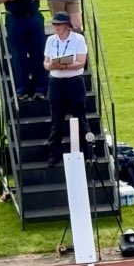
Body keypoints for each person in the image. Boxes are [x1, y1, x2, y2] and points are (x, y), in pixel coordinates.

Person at [44, 11, 89, 166]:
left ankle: (87, 151)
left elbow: (81, 62)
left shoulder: (78, 39)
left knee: (79, 115)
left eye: (59, 24)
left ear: (66, 25)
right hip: (56, 82)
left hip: (74, 82)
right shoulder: (51, 40)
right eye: (54, 24)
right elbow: (46, 62)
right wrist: (52, 66)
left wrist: (63, 65)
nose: (56, 27)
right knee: (56, 118)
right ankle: (54, 153)